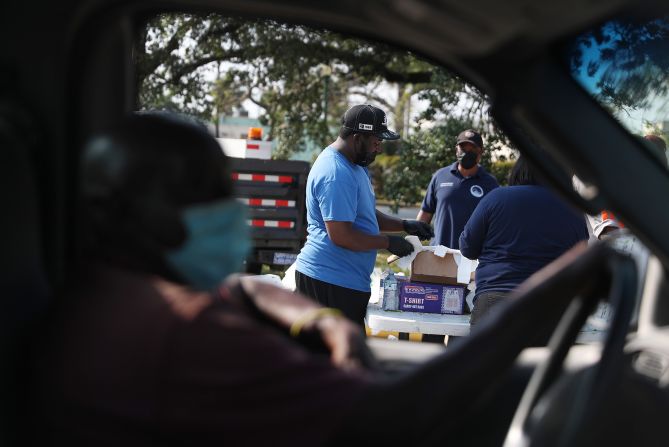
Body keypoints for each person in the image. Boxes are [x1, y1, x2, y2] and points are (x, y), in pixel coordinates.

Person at [31, 112, 602, 447]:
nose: (233, 215)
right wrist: (545, 296)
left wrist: (318, 320)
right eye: (212, 197)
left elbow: (243, 287)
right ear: (150, 213)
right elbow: (390, 418)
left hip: (336, 294)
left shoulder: (110, 293)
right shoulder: (188, 331)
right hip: (333, 279)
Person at [295, 104, 433, 329]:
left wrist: (405, 225)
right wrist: (388, 242)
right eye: (376, 142)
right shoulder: (335, 172)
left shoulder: (355, 166)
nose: (378, 149)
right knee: (334, 359)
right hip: (327, 281)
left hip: (345, 281)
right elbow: (341, 235)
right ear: (358, 138)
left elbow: (365, 214)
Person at [459, 156, 589, 336]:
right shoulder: (573, 208)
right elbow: (581, 257)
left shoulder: (496, 198)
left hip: (495, 299)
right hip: (552, 305)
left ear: (518, 171)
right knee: (544, 364)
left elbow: (467, 247)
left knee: (489, 364)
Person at [416, 129, 499, 250]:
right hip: (439, 254)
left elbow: (496, 224)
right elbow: (425, 213)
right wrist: (413, 243)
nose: (467, 153)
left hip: (473, 259)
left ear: (481, 152)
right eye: (463, 149)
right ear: (456, 150)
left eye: (472, 150)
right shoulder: (440, 176)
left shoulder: (490, 184)